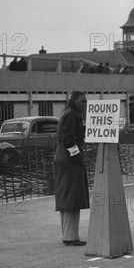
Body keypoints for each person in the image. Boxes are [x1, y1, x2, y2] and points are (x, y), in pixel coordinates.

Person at [54, 91, 90, 246]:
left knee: (67, 197)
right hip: (69, 162)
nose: (85, 104)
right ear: (74, 101)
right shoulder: (72, 116)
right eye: (82, 101)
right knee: (72, 198)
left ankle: (69, 234)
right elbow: (69, 141)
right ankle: (70, 237)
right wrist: (78, 158)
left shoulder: (68, 113)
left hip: (63, 160)